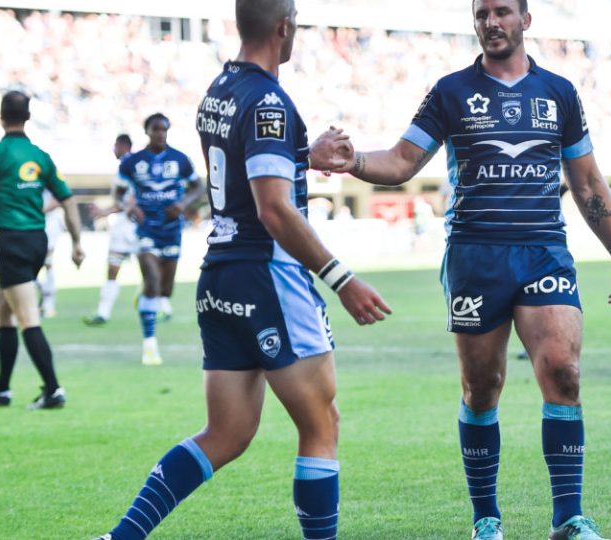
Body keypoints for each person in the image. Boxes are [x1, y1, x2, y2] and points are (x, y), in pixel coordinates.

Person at [335, 2, 611, 538]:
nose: (491, 22)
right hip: (475, 255)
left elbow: (588, 182)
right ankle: (486, 520)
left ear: (526, 20)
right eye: (482, 14)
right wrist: (354, 160)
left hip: (544, 249)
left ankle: (568, 517)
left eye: (503, 11)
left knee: (563, 372)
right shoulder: (451, 92)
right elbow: (404, 162)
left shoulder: (559, 93)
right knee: (482, 387)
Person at [93, 1, 390, 539]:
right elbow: (273, 208)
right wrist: (342, 280)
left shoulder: (220, 90)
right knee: (321, 425)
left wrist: (303, 152)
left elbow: (246, 161)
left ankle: (120, 538)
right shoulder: (269, 101)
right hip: (268, 276)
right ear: (284, 27)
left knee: (225, 434)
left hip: (220, 277)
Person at [0, 90, 84, 409]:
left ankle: (53, 390)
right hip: (36, 240)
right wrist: (77, 242)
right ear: (28, 117)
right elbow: (67, 200)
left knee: (27, 317)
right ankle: (2, 388)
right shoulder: (40, 156)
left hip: (12, 241)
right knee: (3, 309)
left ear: (0, 116)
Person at [118, 113, 204, 365]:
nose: (160, 133)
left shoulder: (180, 159)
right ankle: (150, 345)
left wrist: (183, 202)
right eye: (156, 129)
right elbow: (119, 193)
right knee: (154, 283)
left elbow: (198, 187)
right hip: (146, 229)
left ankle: (145, 292)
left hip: (172, 229)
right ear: (147, 131)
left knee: (164, 291)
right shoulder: (132, 162)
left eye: (164, 129)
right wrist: (130, 207)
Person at [83, 135, 140, 327]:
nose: (113, 149)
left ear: (123, 146)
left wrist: (104, 211)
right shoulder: (139, 165)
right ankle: (162, 307)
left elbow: (126, 202)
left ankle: (103, 312)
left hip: (127, 226)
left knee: (114, 269)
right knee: (149, 269)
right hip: (139, 225)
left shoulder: (128, 167)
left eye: (115, 145)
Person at [38, 189, 65, 317]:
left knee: (47, 262)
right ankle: (43, 293)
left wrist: (37, 211)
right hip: (31, 223)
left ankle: (49, 303)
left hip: (48, 223)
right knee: (32, 264)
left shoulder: (49, 173)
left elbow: (59, 199)